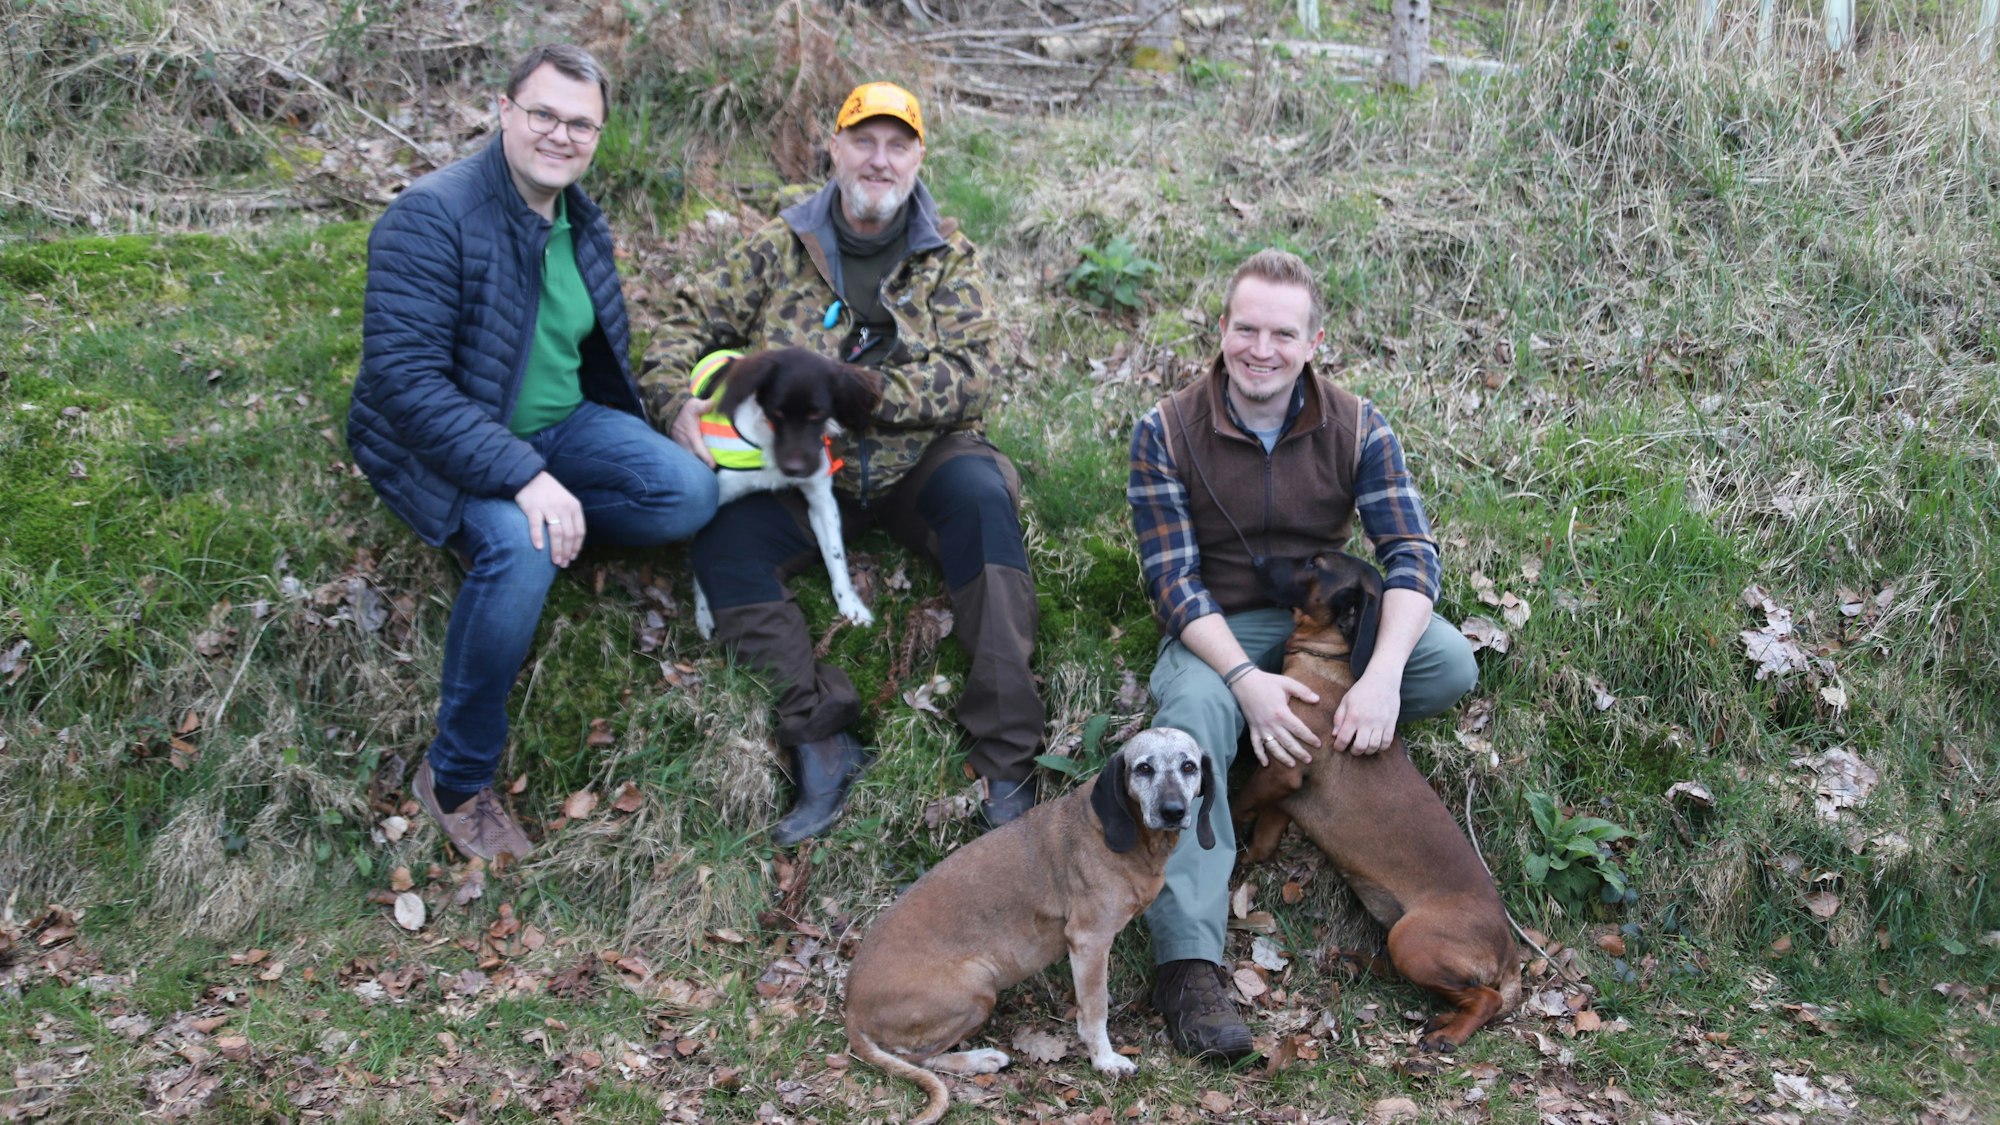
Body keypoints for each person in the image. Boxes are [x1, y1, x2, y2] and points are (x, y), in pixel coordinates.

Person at [347, 45, 718, 862]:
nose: (560, 133)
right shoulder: (430, 217)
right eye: (543, 113)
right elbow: (405, 385)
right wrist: (525, 480)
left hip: (558, 424)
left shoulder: (579, 218)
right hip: (443, 442)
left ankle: (564, 518)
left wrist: (664, 408)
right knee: (521, 550)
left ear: (599, 135)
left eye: (580, 122)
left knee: (689, 492)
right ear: (504, 110)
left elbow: (595, 351)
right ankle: (453, 777)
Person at [646, 81, 1042, 843]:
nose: (880, 159)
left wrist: (864, 392)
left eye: (898, 144)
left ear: (919, 158)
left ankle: (1006, 758)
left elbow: (974, 373)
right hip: (797, 466)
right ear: (834, 147)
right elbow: (680, 317)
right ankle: (821, 740)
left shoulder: (946, 259)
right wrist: (674, 401)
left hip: (920, 460)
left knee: (985, 502)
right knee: (724, 547)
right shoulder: (779, 244)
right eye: (864, 140)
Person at [1126, 248, 1478, 1059]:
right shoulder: (1167, 429)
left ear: (1313, 340)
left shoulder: (1358, 424)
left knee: (1449, 661)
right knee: (1189, 725)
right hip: (1220, 625)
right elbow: (1172, 582)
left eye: (1282, 333)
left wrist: (1382, 675)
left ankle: (1309, 731)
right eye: (1245, 328)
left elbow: (1412, 554)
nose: (1261, 348)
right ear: (1221, 331)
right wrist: (1248, 684)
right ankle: (1188, 964)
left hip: (1317, 623)